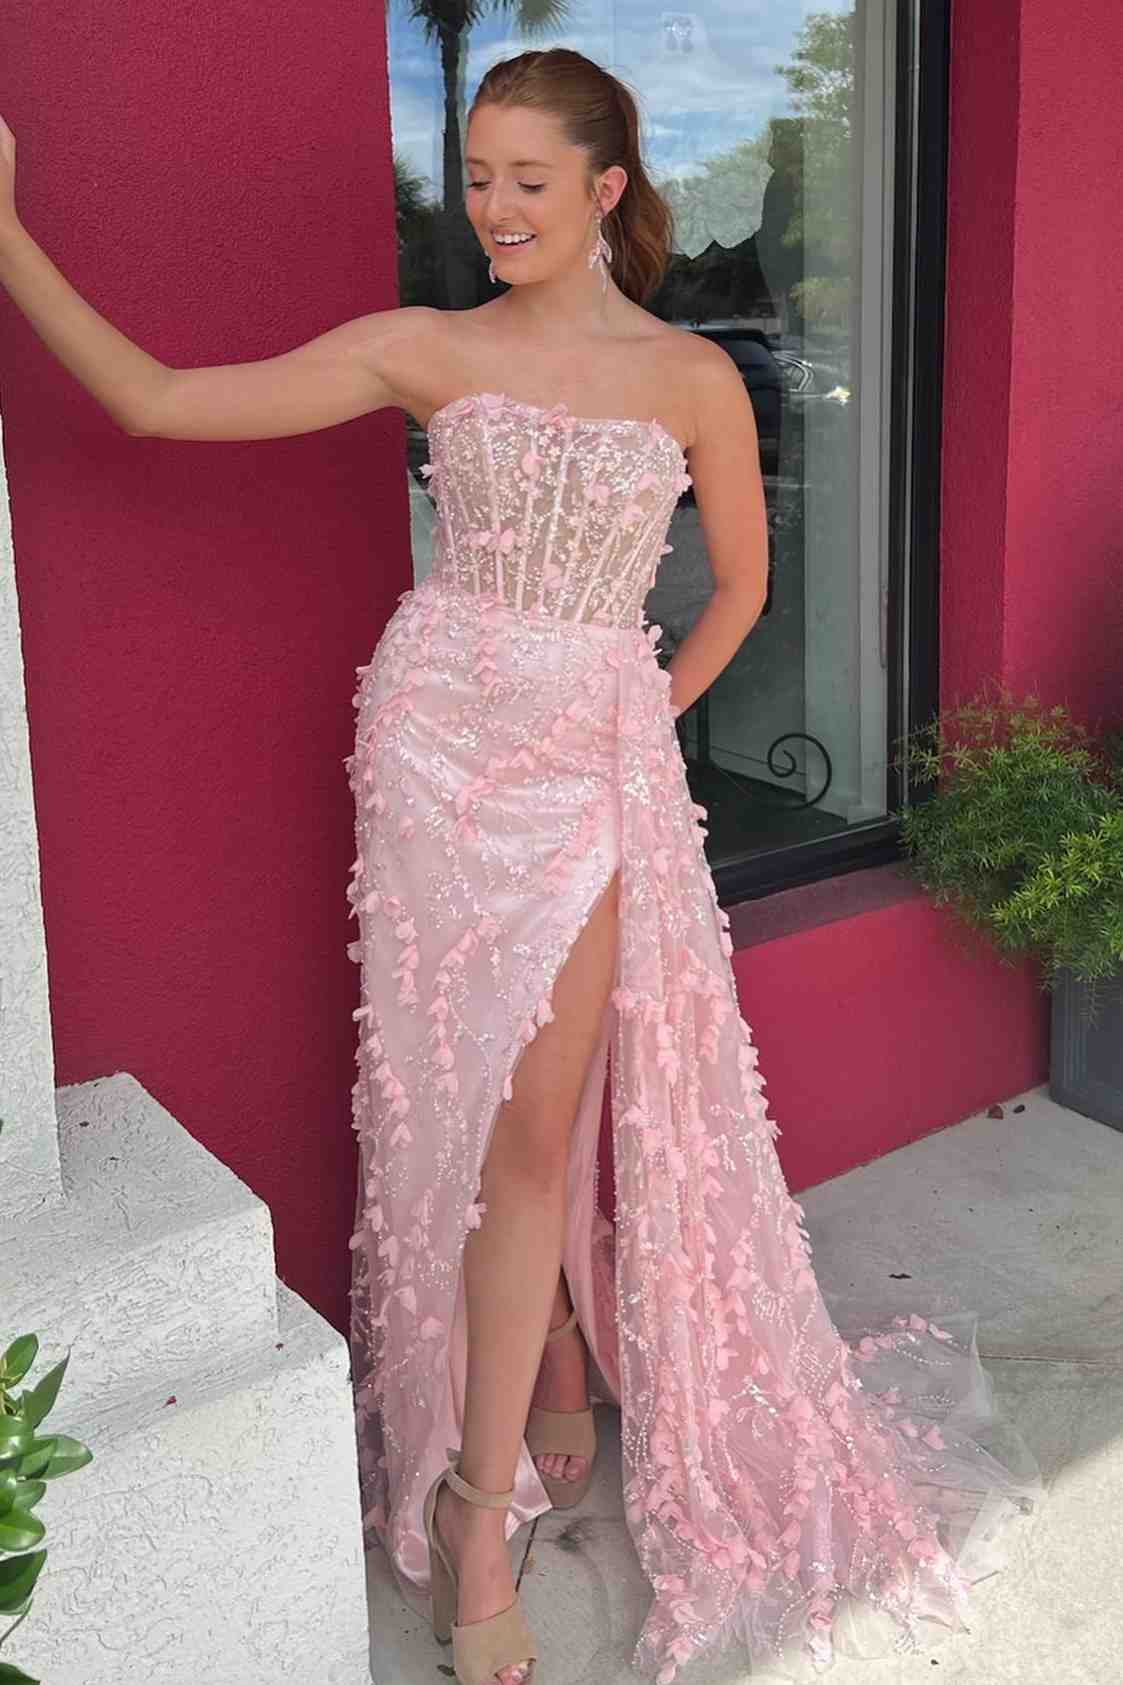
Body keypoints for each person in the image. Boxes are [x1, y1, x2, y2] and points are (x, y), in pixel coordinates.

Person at [0, 46, 1043, 1685]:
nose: (492, 208)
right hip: (429, 756)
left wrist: (635, 716)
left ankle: (475, 1508)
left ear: (605, 189)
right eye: (477, 176)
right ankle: (533, 1372)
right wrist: (5, 235)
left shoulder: (693, 376)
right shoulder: (427, 347)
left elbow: (742, 590)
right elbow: (157, 399)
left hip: (583, 775)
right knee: (461, 1104)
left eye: (527, 180)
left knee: (533, 1131)